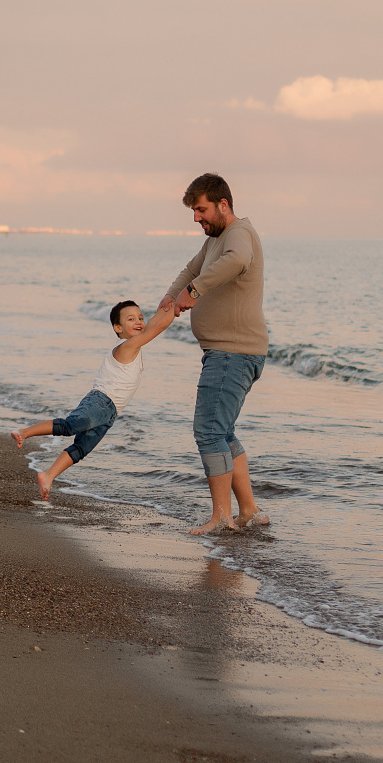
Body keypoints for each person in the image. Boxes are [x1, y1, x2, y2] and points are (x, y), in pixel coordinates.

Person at [158, 173, 269, 534]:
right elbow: (191, 269)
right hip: (228, 353)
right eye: (193, 211)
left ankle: (222, 516)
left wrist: (194, 290)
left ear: (223, 204)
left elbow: (237, 260)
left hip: (232, 353)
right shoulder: (215, 240)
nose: (196, 217)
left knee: (208, 431)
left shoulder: (238, 234)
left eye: (201, 209)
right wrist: (173, 295)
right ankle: (248, 511)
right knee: (223, 432)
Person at [11, 300, 174, 500]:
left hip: (110, 412)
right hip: (101, 402)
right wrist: (178, 307)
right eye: (131, 319)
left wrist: (171, 299)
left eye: (141, 317)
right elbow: (157, 327)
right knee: (69, 426)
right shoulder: (127, 345)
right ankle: (25, 432)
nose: (139, 321)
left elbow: (154, 323)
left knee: (81, 449)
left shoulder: (134, 344)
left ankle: (48, 476)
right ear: (118, 328)